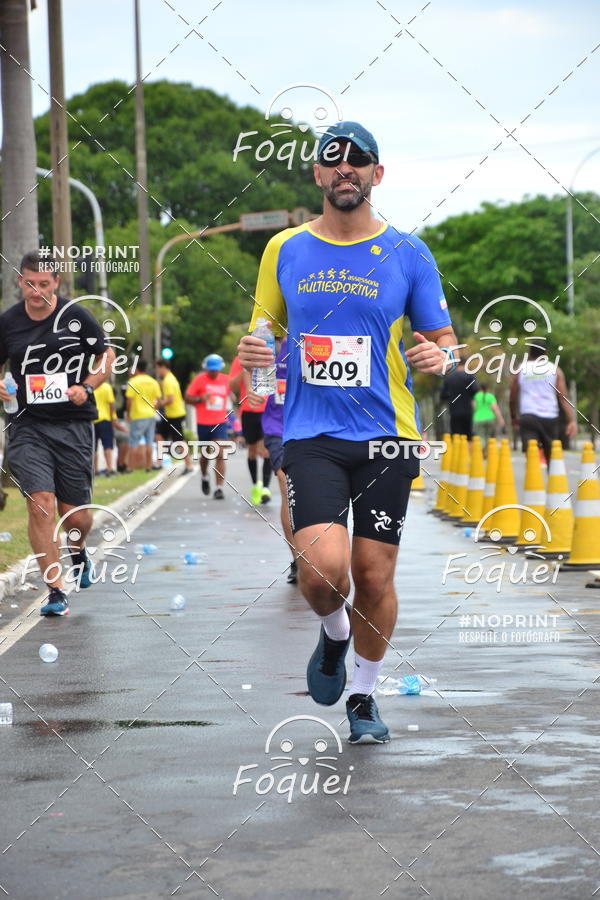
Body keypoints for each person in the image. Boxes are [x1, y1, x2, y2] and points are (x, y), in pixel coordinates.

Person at [238, 121, 458, 743]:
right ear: (316, 174)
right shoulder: (285, 249)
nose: (345, 170)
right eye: (331, 161)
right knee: (322, 574)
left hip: (388, 435)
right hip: (311, 433)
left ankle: (364, 697)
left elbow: (443, 339)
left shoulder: (409, 253)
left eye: (357, 162)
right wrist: (255, 358)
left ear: (376, 175)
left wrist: (440, 357)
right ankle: (334, 637)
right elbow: (263, 331)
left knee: (374, 574)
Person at [0, 250, 115, 616]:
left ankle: (78, 552)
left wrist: (88, 385)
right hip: (27, 425)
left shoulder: (76, 316)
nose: (36, 292)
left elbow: (106, 356)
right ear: (20, 281)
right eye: (30, 284)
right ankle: (55, 590)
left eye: (44, 284)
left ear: (57, 283)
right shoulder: (8, 323)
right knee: (40, 502)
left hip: (72, 422)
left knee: (76, 516)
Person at [261, 337, 297, 583]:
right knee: (286, 487)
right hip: (276, 428)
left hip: (310, 426)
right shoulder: (263, 345)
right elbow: (246, 379)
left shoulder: (308, 338)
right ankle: (298, 560)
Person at [509, 344, 577, 464]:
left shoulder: (520, 369)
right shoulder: (555, 369)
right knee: (551, 456)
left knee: (531, 454)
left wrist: (513, 416)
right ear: (545, 354)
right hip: (550, 417)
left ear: (530, 353)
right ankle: (552, 478)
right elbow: (563, 397)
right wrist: (571, 420)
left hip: (528, 416)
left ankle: (532, 479)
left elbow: (512, 397)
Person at [185, 353, 230, 499]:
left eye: (216, 369)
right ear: (206, 369)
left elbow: (232, 391)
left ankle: (219, 488)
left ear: (220, 368)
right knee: (205, 455)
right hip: (203, 422)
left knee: (220, 453)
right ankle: (204, 476)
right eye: (211, 369)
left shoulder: (225, 380)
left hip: (220, 422)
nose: (213, 372)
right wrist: (200, 399)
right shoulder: (199, 380)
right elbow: (187, 398)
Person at [229, 355, 272, 504]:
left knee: (266, 449)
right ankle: (256, 485)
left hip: (268, 410)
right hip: (249, 410)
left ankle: (266, 487)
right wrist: (245, 368)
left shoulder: (270, 358)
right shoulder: (240, 359)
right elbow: (232, 386)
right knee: (252, 450)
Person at [155, 358, 193, 475]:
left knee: (179, 440)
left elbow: (170, 399)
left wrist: (159, 404)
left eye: (157, 368)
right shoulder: (171, 378)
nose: (157, 371)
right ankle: (158, 463)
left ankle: (189, 465)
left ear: (162, 367)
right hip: (171, 414)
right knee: (159, 436)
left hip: (174, 414)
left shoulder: (168, 381)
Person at [124, 359, 162, 472]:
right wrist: (153, 409)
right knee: (149, 441)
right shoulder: (153, 382)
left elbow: (129, 400)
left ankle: (130, 467)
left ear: (136, 369)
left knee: (133, 441)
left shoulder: (133, 382)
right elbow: (159, 401)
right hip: (151, 415)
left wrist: (128, 414)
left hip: (137, 415)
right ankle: (148, 466)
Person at [440, 360, 478, 438]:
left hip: (454, 411)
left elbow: (443, 396)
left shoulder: (449, 378)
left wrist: (451, 397)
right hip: (467, 410)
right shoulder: (470, 376)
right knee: (468, 435)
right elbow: (475, 389)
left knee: (455, 435)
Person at [93, 380, 116, 475]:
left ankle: (95, 469)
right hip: (105, 419)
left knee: (93, 447)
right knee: (107, 445)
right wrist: (112, 419)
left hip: (92, 419)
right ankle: (109, 467)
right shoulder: (107, 387)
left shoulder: (91, 387)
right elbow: (111, 404)